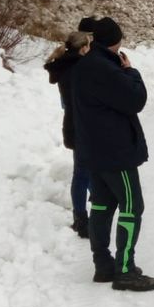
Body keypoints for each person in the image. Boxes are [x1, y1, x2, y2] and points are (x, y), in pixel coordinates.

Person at [71, 16, 154, 292]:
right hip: (115, 153)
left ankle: (103, 265)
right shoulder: (106, 69)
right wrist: (131, 72)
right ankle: (125, 270)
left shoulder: (84, 64)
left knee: (101, 205)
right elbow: (136, 99)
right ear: (116, 41)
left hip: (93, 150)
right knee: (132, 207)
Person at [44, 31, 91, 237]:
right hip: (86, 126)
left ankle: (81, 218)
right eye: (89, 46)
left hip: (72, 125)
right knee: (88, 173)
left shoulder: (63, 66)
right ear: (83, 48)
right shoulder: (81, 68)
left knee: (82, 172)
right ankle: (89, 218)